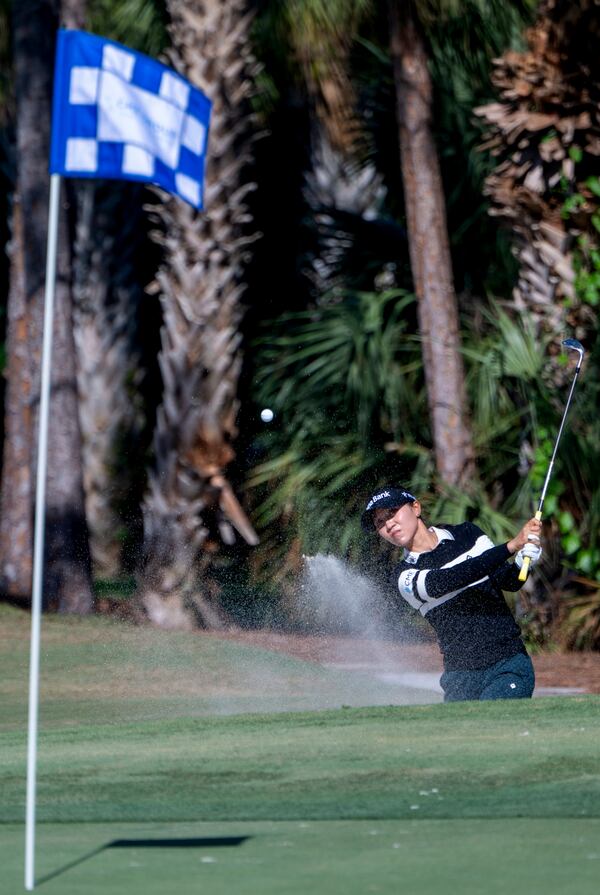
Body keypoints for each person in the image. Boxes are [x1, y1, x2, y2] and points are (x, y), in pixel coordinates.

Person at [361, 486, 543, 702]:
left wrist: (524, 560)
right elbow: (449, 580)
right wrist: (511, 546)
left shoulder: (467, 534)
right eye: (379, 522)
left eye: (392, 512)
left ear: (416, 507)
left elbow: (509, 581)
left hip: (507, 664)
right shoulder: (403, 576)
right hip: (459, 678)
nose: (388, 524)